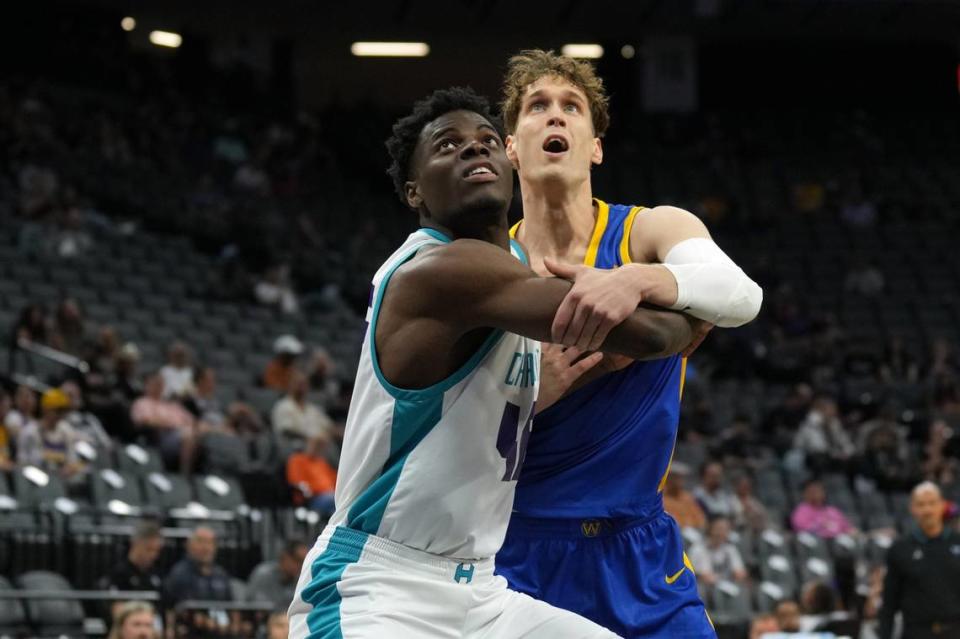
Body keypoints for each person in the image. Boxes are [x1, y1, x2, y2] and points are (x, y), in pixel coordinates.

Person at [288, 88, 698, 639]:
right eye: (448, 145)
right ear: (414, 190)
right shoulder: (442, 269)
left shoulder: (513, 270)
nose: (472, 150)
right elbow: (649, 335)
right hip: (379, 588)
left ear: (509, 163)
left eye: (485, 140)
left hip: (480, 592)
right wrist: (673, 292)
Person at [494, 49, 762, 638]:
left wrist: (636, 280)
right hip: (514, 551)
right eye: (537, 107)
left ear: (595, 145)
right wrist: (531, 395)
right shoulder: (486, 265)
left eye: (571, 107)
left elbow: (742, 296)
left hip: (638, 548)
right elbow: (437, 427)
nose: (555, 117)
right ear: (512, 145)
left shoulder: (648, 232)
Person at [879, 482, 960, 639]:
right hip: (916, 632)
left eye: (932, 503)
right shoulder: (899, 549)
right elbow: (888, 604)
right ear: (912, 508)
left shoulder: (957, 542)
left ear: (942, 505)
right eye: (921, 504)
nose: (927, 510)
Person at [163, 526, 235, 636]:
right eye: (201, 542)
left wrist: (234, 623)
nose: (206, 547)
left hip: (221, 630)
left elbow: (231, 606)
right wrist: (210, 623)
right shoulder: (180, 574)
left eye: (210, 542)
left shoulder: (221, 574)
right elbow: (183, 611)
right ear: (189, 545)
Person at [130, 373, 197, 472]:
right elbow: (145, 422)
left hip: (183, 434)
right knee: (188, 436)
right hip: (162, 438)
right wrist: (171, 424)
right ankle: (185, 473)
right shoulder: (142, 403)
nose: (158, 386)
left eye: (161, 384)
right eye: (155, 383)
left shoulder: (171, 405)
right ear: (147, 385)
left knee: (198, 436)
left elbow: (192, 421)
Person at [17, 388, 85, 480]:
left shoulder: (66, 430)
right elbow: (23, 463)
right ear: (45, 410)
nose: (61, 415)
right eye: (57, 411)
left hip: (63, 482)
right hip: (36, 481)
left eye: (63, 411)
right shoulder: (30, 432)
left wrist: (71, 468)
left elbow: (73, 460)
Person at [271, 370, 335, 441]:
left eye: (303, 383)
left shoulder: (313, 409)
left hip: (319, 445)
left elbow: (329, 426)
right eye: (297, 383)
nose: (301, 386)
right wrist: (310, 439)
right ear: (290, 385)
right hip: (294, 445)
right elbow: (286, 431)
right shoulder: (283, 406)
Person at [247, 539, 308, 612]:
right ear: (285, 556)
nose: (301, 566)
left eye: (304, 562)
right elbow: (259, 608)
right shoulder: (263, 575)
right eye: (297, 560)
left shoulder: (301, 579)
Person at [687, 517, 747, 586]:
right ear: (710, 529)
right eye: (719, 529)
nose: (722, 533)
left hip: (725, 587)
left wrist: (738, 575)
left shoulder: (730, 549)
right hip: (702, 588)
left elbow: (740, 572)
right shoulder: (698, 549)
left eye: (725, 530)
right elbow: (704, 576)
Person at [286, 433, 337, 514]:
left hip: (330, 495)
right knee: (336, 501)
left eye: (321, 446)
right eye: (315, 444)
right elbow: (297, 482)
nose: (317, 448)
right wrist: (319, 490)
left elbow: (335, 480)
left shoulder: (322, 463)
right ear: (308, 444)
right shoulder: (297, 460)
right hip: (313, 499)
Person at [790, 478, 855, 539]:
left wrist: (853, 532)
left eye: (819, 490)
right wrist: (821, 524)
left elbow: (846, 527)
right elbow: (801, 530)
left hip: (838, 543)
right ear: (805, 493)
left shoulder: (832, 511)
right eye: (813, 491)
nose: (816, 493)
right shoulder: (802, 510)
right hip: (817, 544)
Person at [662, 463, 707, 531]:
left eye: (680, 478)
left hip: (692, 532)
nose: (678, 481)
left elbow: (700, 519)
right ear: (668, 479)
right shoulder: (661, 498)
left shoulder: (688, 497)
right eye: (675, 478)